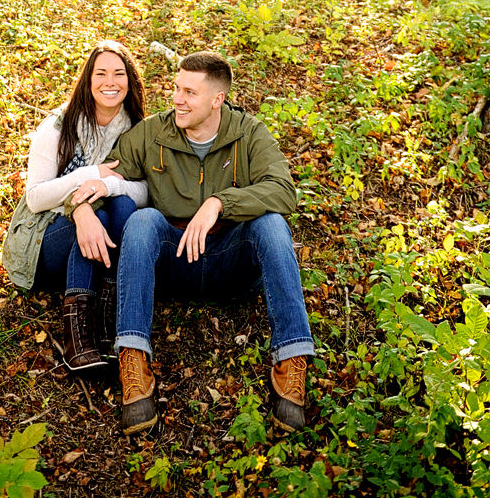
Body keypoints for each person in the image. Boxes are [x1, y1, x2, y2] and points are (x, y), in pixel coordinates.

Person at [70, 49, 314, 435]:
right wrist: (81, 210)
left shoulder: (249, 134)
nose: (177, 100)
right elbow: (104, 179)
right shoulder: (153, 133)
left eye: (189, 93)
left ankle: (292, 360)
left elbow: (284, 192)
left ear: (217, 99)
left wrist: (220, 202)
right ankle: (133, 360)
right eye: (176, 89)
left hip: (229, 261)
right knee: (144, 220)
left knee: (271, 224)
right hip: (174, 261)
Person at [2, 41, 148, 373]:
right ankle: (77, 344)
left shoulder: (138, 131)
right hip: (43, 242)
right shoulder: (58, 126)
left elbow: (145, 191)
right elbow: (35, 198)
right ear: (88, 79)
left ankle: (112, 323)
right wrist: (87, 186)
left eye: (118, 74)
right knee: (100, 211)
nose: (109, 82)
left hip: (104, 232)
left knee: (122, 203)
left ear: (130, 80)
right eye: (101, 74)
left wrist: (105, 185)